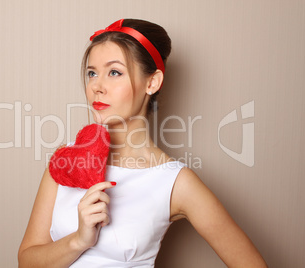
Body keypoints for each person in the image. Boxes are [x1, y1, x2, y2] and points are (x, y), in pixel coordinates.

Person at [18, 18, 268, 267]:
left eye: (114, 72)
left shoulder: (175, 182)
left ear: (152, 82)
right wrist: (79, 240)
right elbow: (26, 261)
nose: (97, 86)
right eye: (92, 73)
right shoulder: (67, 158)